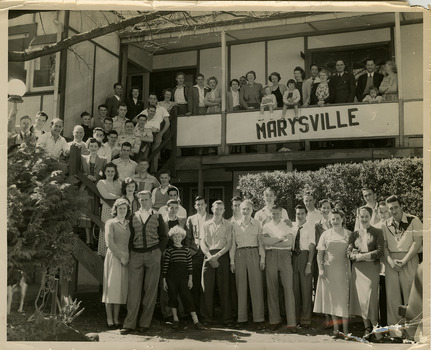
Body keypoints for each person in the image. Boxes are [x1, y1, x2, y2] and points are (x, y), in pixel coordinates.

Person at [120, 190, 167, 335]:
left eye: (146, 199)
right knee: (133, 290)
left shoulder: (158, 216)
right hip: (136, 255)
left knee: (150, 290)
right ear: (138, 200)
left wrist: (158, 251)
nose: (143, 202)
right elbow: (129, 237)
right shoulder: (132, 216)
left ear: (151, 200)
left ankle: (145, 323)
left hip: (153, 254)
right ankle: (129, 324)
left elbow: (164, 237)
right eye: (141, 200)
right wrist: (131, 251)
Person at [381, 195, 422, 337]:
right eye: (390, 208)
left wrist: (404, 260)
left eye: (395, 207)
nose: (393, 210)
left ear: (401, 206)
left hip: (409, 259)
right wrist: (391, 262)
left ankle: (412, 333)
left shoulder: (414, 220)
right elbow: (384, 246)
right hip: (391, 262)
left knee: (411, 297)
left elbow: (417, 243)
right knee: (393, 298)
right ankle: (395, 333)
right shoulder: (385, 224)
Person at [347, 206, 384, 340]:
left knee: (371, 299)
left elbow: (380, 252)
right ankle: (367, 328)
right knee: (362, 300)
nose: (363, 219)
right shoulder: (354, 234)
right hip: (358, 270)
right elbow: (348, 252)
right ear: (358, 217)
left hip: (371, 269)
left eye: (366, 217)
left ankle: (375, 327)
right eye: (361, 217)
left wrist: (363, 256)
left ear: (371, 217)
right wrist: (352, 254)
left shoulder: (377, 232)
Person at [313, 209, 351, 339]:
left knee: (343, 300)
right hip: (329, 270)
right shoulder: (325, 234)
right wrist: (321, 269)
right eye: (333, 219)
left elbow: (353, 252)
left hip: (344, 270)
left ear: (342, 219)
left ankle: (345, 330)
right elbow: (320, 254)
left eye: (337, 219)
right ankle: (336, 329)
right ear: (330, 220)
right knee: (333, 300)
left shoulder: (349, 234)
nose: (335, 221)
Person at [261, 205, 297, 332]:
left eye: (277, 213)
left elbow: (289, 243)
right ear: (270, 214)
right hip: (271, 256)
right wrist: (280, 239)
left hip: (285, 257)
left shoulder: (287, 224)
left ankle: (292, 322)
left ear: (281, 214)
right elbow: (265, 241)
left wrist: (273, 240)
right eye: (273, 213)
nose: (275, 215)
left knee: (288, 289)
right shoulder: (266, 226)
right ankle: (274, 320)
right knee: (272, 289)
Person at [230, 199, 265, 327]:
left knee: (256, 286)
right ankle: (242, 318)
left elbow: (261, 243)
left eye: (248, 209)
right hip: (239, 254)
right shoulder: (234, 224)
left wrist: (262, 259)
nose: (245, 211)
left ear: (252, 210)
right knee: (241, 286)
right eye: (243, 209)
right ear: (240, 209)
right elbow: (233, 244)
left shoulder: (257, 224)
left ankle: (259, 318)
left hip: (254, 253)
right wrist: (232, 261)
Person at [162, 226, 205, 330]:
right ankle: (175, 319)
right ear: (172, 238)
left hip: (184, 278)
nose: (177, 238)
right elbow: (165, 267)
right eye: (175, 237)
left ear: (182, 237)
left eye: (179, 236)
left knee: (188, 298)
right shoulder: (169, 251)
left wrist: (190, 280)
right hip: (171, 278)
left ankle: (196, 321)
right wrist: (164, 281)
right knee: (172, 297)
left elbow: (190, 266)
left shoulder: (186, 251)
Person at [200, 200, 233, 326]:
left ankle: (226, 319)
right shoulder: (206, 224)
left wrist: (217, 256)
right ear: (212, 209)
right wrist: (209, 256)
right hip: (208, 256)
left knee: (224, 287)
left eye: (221, 208)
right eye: (216, 208)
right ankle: (207, 318)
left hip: (222, 256)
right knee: (207, 288)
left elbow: (229, 243)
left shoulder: (229, 225)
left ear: (224, 210)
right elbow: (202, 242)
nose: (218, 210)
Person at [102, 197, 131, 329]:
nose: (122, 211)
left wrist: (127, 257)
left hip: (126, 258)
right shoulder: (110, 223)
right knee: (111, 288)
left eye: (125, 208)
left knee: (120, 289)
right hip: (114, 257)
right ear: (115, 209)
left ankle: (116, 318)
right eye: (120, 208)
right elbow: (109, 243)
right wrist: (121, 256)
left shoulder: (129, 223)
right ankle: (109, 318)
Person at [185, 196, 213, 316]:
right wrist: (190, 251)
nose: (200, 206)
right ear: (195, 206)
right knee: (195, 283)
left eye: (202, 204)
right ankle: (195, 312)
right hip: (195, 253)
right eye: (198, 204)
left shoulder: (212, 217)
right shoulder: (191, 219)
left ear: (206, 205)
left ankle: (207, 312)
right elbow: (188, 238)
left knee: (207, 284)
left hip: (208, 253)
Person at [160, 199, 187, 321]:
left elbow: (186, 237)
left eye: (176, 208)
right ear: (167, 208)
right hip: (166, 255)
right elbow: (160, 238)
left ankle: (180, 311)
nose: (174, 210)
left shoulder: (182, 220)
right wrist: (162, 251)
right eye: (172, 208)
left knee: (180, 284)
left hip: (179, 255)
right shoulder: (162, 220)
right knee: (166, 285)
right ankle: (167, 312)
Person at [292, 205, 315, 329]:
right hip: (293, 258)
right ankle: (295, 318)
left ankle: (306, 320)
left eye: (302, 213)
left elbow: (312, 247)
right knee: (294, 290)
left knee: (306, 290)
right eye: (297, 214)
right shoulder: (292, 226)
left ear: (306, 214)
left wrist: (309, 264)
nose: (299, 216)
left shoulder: (310, 228)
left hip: (305, 257)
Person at [80, 138, 106, 246]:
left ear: (98, 147)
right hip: (85, 189)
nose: (93, 148)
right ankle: (87, 240)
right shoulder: (82, 158)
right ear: (88, 147)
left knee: (95, 214)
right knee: (86, 213)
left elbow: (105, 174)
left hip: (97, 189)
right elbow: (80, 172)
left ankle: (95, 240)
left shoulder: (103, 160)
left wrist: (97, 178)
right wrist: (87, 176)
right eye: (91, 146)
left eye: (95, 146)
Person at [96, 162, 122, 257]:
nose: (110, 173)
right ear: (104, 172)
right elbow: (105, 195)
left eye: (112, 171)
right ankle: (104, 252)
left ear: (115, 172)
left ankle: (115, 252)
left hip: (119, 210)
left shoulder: (119, 182)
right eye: (108, 171)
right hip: (107, 209)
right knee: (106, 230)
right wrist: (119, 197)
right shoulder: (101, 182)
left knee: (117, 230)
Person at [313, 199, 333, 297]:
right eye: (323, 208)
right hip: (322, 256)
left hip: (334, 256)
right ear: (320, 209)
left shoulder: (337, 222)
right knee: (322, 281)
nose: (326, 210)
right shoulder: (317, 225)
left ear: (331, 209)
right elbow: (317, 242)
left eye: (328, 207)